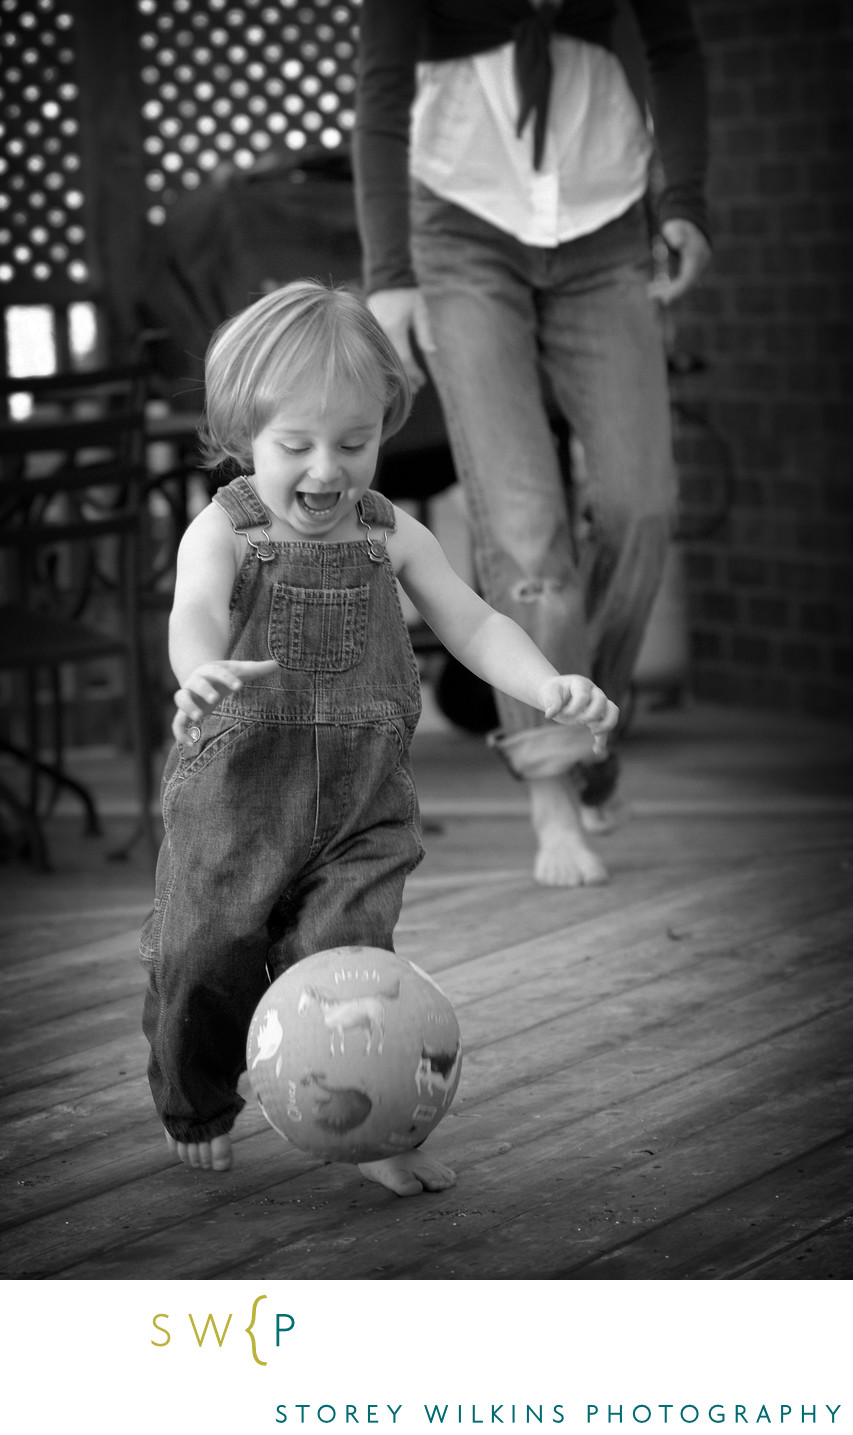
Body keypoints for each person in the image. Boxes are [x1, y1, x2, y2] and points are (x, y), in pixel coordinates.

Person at [140, 281, 618, 1195]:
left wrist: (544, 684)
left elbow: (474, 622)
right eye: (296, 445)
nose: (327, 470)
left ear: (383, 428)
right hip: (237, 795)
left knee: (350, 971)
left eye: (354, 443)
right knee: (202, 954)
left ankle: (371, 1127)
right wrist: (197, 667)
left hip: (362, 806)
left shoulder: (388, 532)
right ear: (243, 433)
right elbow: (192, 609)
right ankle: (196, 1100)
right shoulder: (225, 529)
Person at [352, 0, 711, 887]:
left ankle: (591, 725)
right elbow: (381, 91)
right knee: (523, 528)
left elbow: (672, 45)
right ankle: (555, 789)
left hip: (606, 219)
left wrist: (686, 200)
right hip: (460, 227)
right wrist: (389, 272)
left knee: (642, 506)